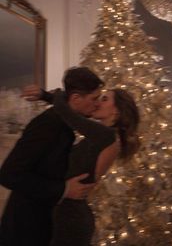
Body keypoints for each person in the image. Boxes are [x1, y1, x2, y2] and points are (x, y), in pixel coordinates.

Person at [0, 67, 117, 246]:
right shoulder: (47, 124)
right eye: (94, 99)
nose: (97, 104)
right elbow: (8, 174)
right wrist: (63, 190)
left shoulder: (67, 123)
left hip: (45, 226)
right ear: (76, 99)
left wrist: (47, 96)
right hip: (26, 227)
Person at [22, 85, 140, 246]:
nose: (97, 103)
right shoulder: (103, 136)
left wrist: (48, 95)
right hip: (67, 213)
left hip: (71, 217)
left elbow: (67, 113)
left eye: (104, 99)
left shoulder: (106, 135)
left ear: (116, 111)